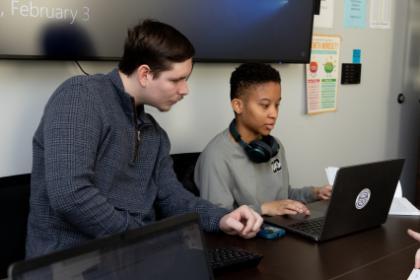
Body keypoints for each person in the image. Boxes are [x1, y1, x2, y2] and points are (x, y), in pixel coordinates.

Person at [26, 20, 262, 258]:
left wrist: (222, 218)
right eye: (176, 79)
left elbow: (173, 199)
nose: (185, 90)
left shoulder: (154, 134)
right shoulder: (80, 97)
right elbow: (70, 194)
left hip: (130, 258)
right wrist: (145, 240)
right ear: (145, 74)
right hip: (70, 263)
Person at [194, 63, 332, 216]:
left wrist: (315, 193)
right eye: (265, 105)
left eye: (277, 105)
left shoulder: (274, 147)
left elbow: (284, 198)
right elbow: (218, 217)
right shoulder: (216, 156)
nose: (274, 113)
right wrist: (264, 209)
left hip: (281, 231)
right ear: (238, 106)